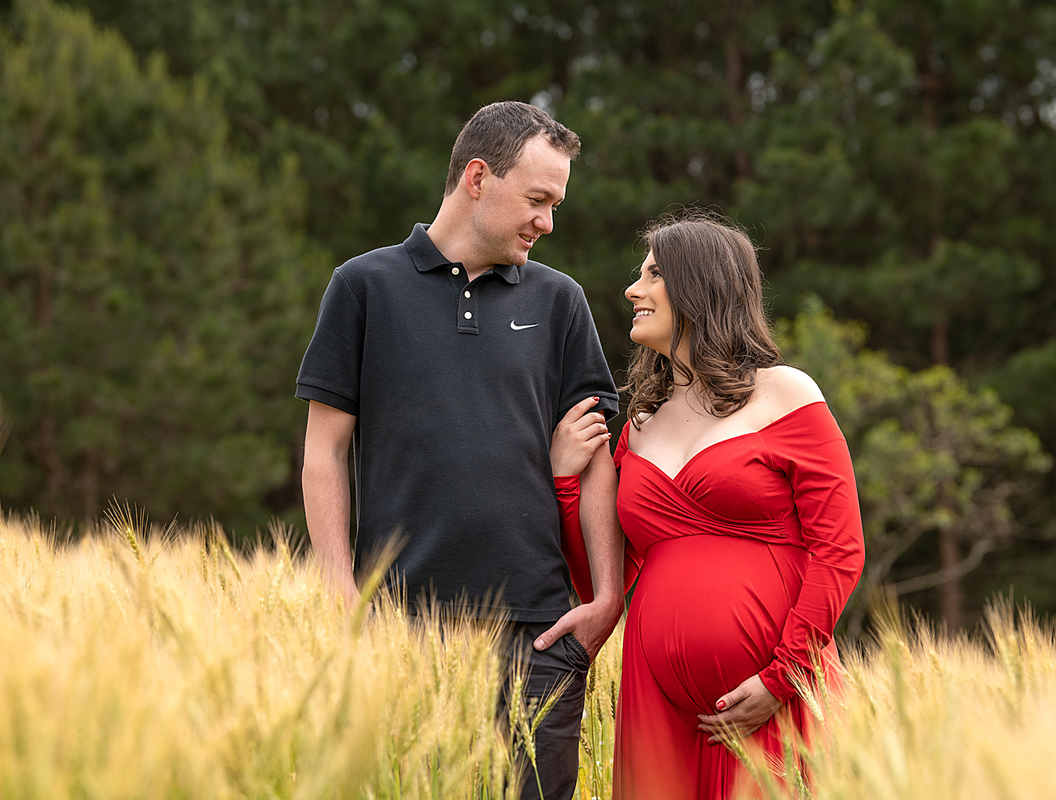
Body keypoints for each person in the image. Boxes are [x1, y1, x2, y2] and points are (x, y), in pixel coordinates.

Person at [296, 101, 626, 800]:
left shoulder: (562, 301)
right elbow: (323, 451)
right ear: (478, 178)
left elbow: (598, 456)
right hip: (401, 627)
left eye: (556, 204)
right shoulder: (363, 286)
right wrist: (336, 586)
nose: (548, 222)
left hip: (538, 635)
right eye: (538, 199)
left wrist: (604, 599)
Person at [553, 211, 866, 798]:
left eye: (652, 275)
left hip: (770, 695)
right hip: (657, 700)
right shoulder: (638, 426)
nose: (632, 290)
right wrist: (568, 484)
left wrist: (784, 676)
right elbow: (608, 582)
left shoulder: (787, 394)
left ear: (699, 286)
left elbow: (840, 548)